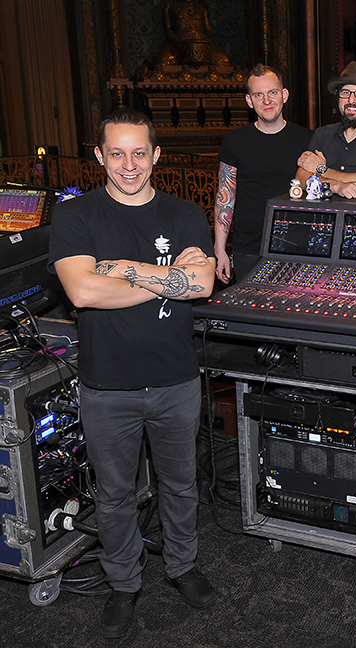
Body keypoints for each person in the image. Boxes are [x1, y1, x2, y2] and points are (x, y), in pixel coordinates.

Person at [48, 110, 217, 638]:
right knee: (114, 496)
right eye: (116, 153)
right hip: (108, 385)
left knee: (181, 484)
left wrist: (119, 267)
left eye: (139, 152)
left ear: (156, 155)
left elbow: (204, 286)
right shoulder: (77, 217)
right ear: (99, 156)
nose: (129, 164)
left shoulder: (187, 213)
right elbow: (82, 292)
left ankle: (182, 567)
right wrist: (170, 277)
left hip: (175, 380)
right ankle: (124, 586)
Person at [214, 65, 312, 283]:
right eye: (259, 95)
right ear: (250, 101)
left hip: (297, 247)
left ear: (284, 95)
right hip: (248, 248)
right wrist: (219, 249)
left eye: (272, 93)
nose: (267, 101)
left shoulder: (308, 139)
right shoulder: (235, 141)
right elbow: (225, 197)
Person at [296, 61, 356, 199]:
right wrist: (336, 186)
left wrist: (321, 170)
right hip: (324, 217)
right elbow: (301, 177)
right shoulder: (322, 133)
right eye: (345, 92)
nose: (351, 100)